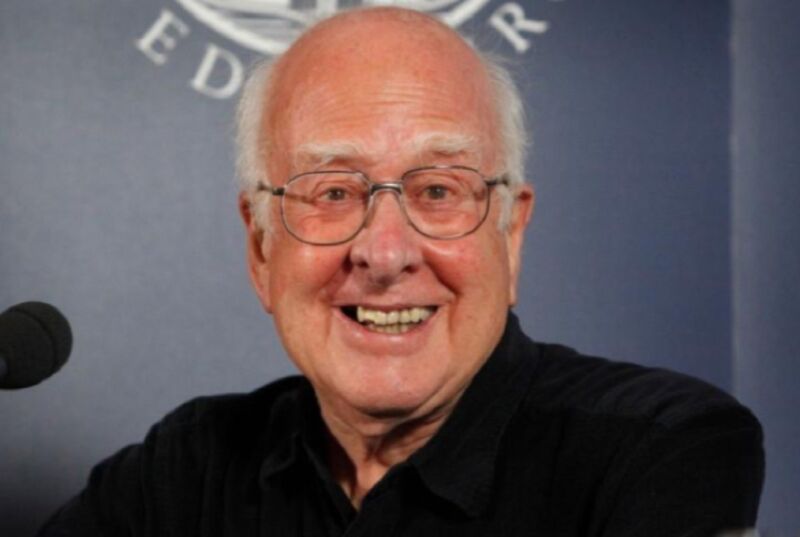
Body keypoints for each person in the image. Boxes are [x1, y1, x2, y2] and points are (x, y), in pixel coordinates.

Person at [39, 6, 763, 536]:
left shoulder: (657, 453)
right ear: (261, 249)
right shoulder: (187, 469)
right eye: (332, 192)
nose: (384, 253)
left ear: (510, 235)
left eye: (438, 191)